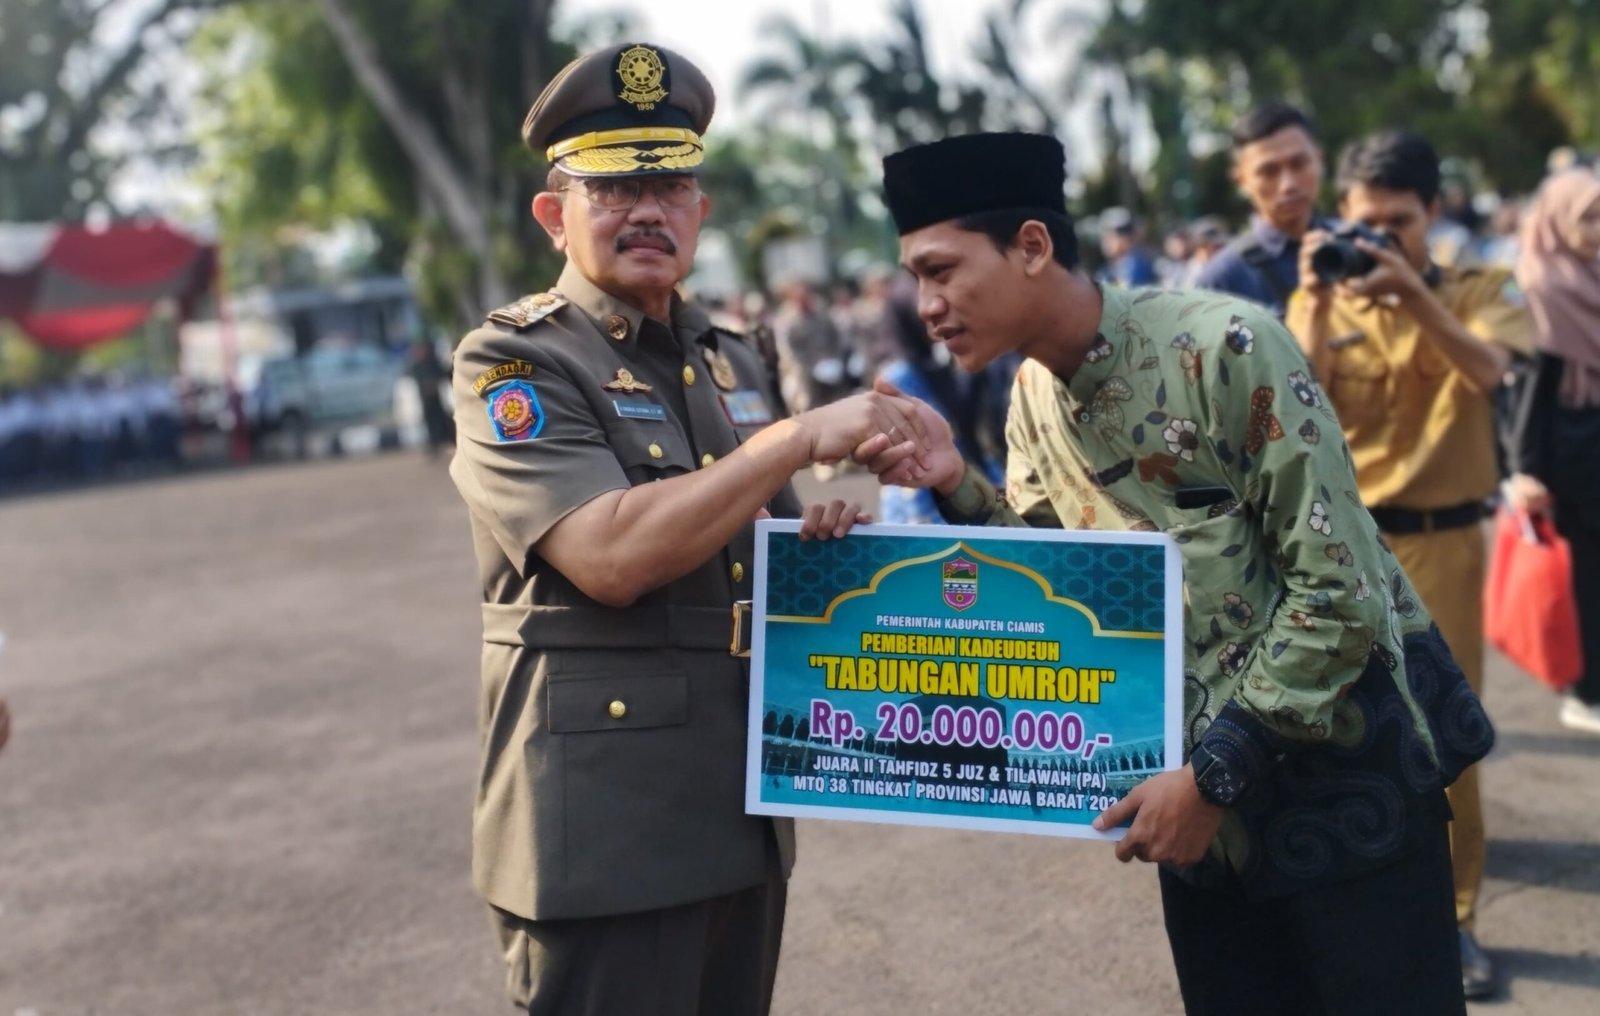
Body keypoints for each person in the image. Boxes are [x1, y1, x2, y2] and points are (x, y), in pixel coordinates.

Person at [861, 131, 1491, 1015]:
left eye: (940, 270)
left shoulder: (1227, 347)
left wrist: (1213, 777)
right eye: (917, 279)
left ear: (1033, 247)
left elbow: (1340, 593)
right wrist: (952, 485)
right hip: (1201, 836)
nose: (924, 305)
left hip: (1348, 800)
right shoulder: (1034, 396)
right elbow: (1062, 585)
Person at [447, 42, 931, 1015]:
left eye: (669, 186)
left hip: (736, 807)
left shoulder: (730, 353)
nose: (646, 211)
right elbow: (610, 554)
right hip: (605, 828)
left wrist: (817, 546)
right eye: (613, 189)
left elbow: (752, 536)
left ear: (700, 212)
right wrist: (794, 439)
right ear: (555, 213)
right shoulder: (513, 360)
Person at [1284, 129, 1533, 1000]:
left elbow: (1492, 372)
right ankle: (1360, 913)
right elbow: (1293, 403)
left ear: (1433, 215)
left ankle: (1456, 918)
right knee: (1338, 736)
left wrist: (1416, 298)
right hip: (1342, 545)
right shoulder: (1324, 298)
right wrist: (1316, 296)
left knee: (1448, 740)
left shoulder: (1480, 289)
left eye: (1399, 224)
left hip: (1448, 539)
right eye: (1364, 224)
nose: (1379, 239)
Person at [1506, 169, 1600, 735]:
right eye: (1586, 216)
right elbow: (1528, 391)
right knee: (1583, 579)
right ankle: (1584, 692)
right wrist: (1523, 469)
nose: (1596, 229)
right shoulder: (1542, 286)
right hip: (1569, 454)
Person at [1196, 102, 1333, 317]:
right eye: (1269, 172)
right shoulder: (1222, 280)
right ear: (1241, 180)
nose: (1288, 184)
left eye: (1299, 164)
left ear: (1319, 160)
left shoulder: (1358, 246)